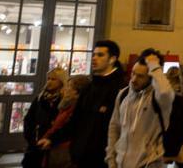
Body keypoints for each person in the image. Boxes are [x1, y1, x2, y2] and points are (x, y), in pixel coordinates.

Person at [41, 40, 125, 168]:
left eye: (100, 55)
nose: (94, 58)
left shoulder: (120, 90)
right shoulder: (89, 88)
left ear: (112, 59)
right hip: (81, 157)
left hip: (105, 159)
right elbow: (76, 121)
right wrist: (53, 139)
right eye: (94, 55)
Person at [105, 49, 174, 168]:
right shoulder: (123, 95)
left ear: (151, 78)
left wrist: (154, 66)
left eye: (140, 76)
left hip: (148, 163)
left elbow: (165, 92)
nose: (134, 79)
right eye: (133, 73)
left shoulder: (159, 99)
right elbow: (114, 127)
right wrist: (111, 159)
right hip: (120, 163)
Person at [39, 75, 90, 168]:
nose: (65, 89)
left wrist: (52, 138)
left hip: (64, 151)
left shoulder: (76, 108)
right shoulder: (65, 105)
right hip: (56, 147)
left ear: (77, 93)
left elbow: (68, 128)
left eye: (69, 86)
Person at [23, 67, 67, 168]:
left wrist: (52, 139)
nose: (49, 82)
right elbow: (28, 119)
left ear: (61, 81)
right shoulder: (40, 98)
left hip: (54, 146)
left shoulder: (64, 101)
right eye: (48, 79)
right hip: (35, 145)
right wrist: (31, 139)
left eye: (53, 79)